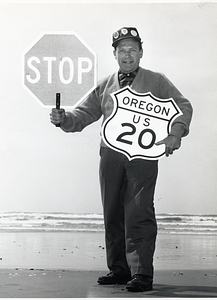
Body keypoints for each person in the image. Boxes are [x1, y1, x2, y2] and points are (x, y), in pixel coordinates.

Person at [50, 27, 193, 292]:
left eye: (132, 50)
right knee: (112, 211)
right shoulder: (105, 85)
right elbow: (82, 115)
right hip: (111, 155)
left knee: (139, 210)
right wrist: (63, 120)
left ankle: (141, 273)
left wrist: (176, 132)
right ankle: (119, 269)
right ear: (114, 54)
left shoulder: (157, 80)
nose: (127, 55)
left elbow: (183, 106)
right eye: (122, 50)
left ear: (141, 52)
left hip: (144, 156)